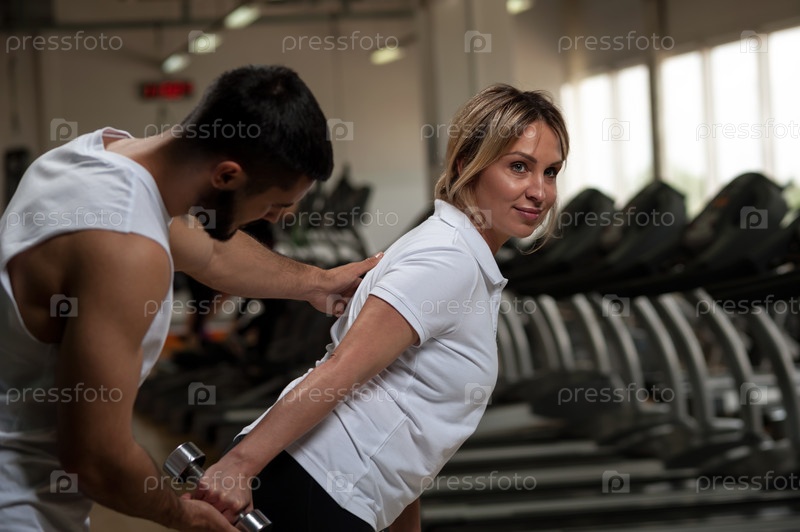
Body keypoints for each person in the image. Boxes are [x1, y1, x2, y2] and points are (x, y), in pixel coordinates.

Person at [0, 65, 381, 531]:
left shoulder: (93, 158)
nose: (273, 219)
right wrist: (183, 515)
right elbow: (96, 458)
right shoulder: (124, 246)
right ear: (227, 175)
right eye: (273, 206)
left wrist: (318, 282)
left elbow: (212, 254)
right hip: (19, 507)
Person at [192, 83, 569, 531]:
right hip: (318, 485)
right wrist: (238, 466)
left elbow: (407, 424)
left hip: (337, 489)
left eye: (550, 172)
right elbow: (340, 371)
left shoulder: (459, 254)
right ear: (468, 163)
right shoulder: (447, 259)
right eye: (519, 167)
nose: (539, 191)